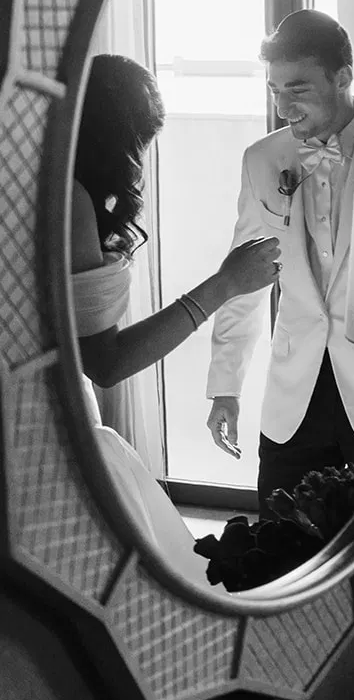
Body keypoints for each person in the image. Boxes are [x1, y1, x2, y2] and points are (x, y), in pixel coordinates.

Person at [204, 10, 354, 512]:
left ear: (342, 78)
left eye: (298, 89)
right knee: (277, 546)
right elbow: (243, 277)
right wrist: (225, 387)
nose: (283, 106)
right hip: (293, 399)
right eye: (274, 91)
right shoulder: (262, 160)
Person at [70, 53, 281, 584]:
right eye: (138, 141)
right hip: (59, 410)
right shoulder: (69, 200)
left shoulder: (69, 189)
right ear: (111, 137)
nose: (140, 159)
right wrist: (224, 285)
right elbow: (106, 359)